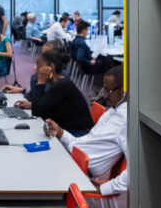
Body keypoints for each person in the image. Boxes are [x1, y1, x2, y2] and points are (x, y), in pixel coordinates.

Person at [46, 67, 127, 197]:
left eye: (108, 90)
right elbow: (84, 143)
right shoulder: (113, 111)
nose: (105, 95)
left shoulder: (125, 121)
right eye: (104, 89)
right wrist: (61, 132)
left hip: (80, 168)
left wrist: (105, 188)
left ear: (124, 90)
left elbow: (134, 169)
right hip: (75, 157)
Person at [15, 49, 93, 137]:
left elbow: (37, 112)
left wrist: (41, 82)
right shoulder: (58, 83)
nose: (36, 70)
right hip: (72, 129)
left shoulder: (62, 85)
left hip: (79, 133)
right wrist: (31, 104)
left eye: (39, 66)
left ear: (51, 67)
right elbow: (45, 106)